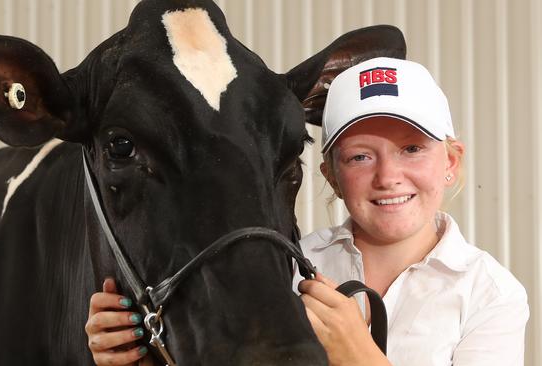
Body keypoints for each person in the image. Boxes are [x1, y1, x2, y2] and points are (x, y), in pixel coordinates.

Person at [85, 57, 529, 366]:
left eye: (412, 149)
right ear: (331, 176)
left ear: (450, 162)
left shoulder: (490, 295)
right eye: (360, 157)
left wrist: (361, 358)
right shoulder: (284, 263)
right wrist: (137, 359)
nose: (388, 176)